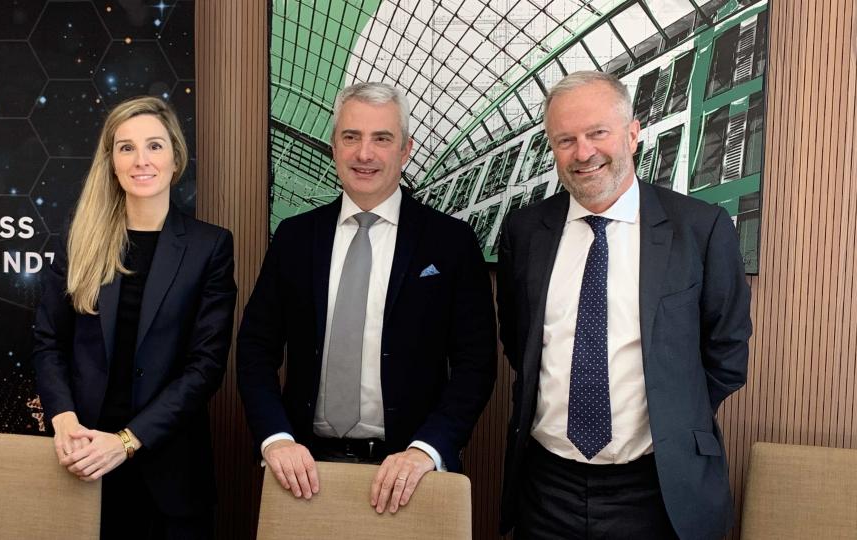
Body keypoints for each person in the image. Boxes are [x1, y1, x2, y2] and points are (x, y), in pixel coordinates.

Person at [496, 71, 752, 540]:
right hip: (546, 486)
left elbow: (728, 352)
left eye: (598, 132)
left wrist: (674, 410)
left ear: (633, 134)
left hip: (657, 489)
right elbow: (519, 342)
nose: (584, 152)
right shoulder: (525, 232)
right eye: (565, 140)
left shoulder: (700, 229)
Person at [237, 81, 496, 514]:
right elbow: (254, 348)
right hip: (302, 471)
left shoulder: (450, 242)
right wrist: (276, 439)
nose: (364, 154)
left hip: (411, 475)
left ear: (406, 149)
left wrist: (427, 449)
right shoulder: (295, 238)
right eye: (351, 137)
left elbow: (476, 363)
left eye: (382, 138)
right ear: (334, 146)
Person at [33, 96, 236, 538]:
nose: (141, 160)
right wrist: (63, 418)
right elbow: (49, 341)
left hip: (170, 478)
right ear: (111, 161)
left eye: (154, 146)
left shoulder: (210, 247)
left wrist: (126, 441)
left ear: (175, 157)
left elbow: (205, 368)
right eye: (126, 148)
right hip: (83, 466)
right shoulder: (79, 240)